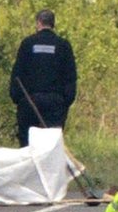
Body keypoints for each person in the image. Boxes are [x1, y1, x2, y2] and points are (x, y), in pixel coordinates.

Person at [9, 9, 78, 147]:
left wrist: (18, 100)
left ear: (38, 23)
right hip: (55, 103)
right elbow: (71, 78)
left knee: (27, 145)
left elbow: (17, 74)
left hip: (29, 101)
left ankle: (30, 168)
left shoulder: (27, 44)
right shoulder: (63, 46)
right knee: (51, 146)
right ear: (53, 24)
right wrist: (65, 102)